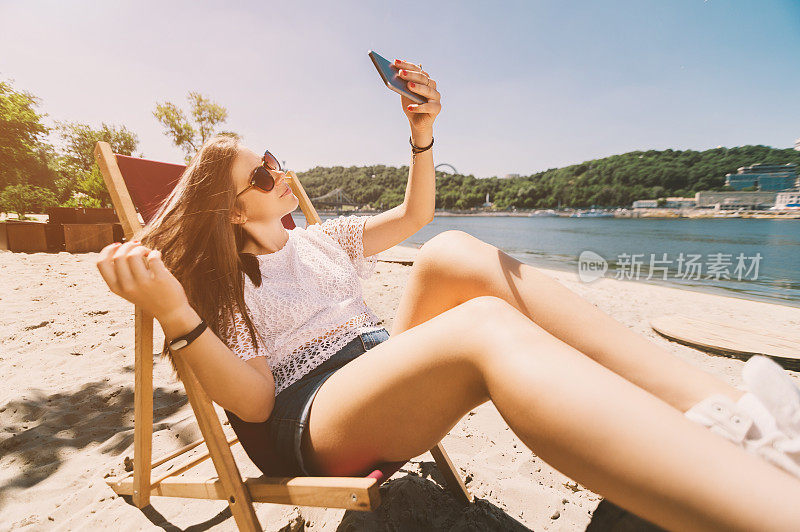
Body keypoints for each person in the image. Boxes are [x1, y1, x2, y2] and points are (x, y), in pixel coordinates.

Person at [95, 59, 800, 530]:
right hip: (313, 419)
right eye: (260, 175)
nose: (281, 174)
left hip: (377, 366)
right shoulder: (224, 285)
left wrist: (422, 135)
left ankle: (731, 414)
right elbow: (251, 403)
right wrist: (176, 314)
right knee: (483, 326)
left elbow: (415, 220)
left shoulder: (319, 239)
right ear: (230, 213)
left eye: (275, 160)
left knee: (453, 252)